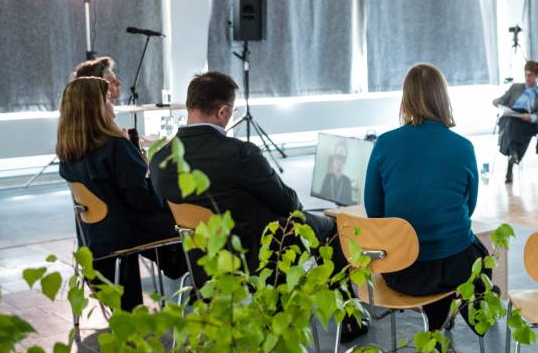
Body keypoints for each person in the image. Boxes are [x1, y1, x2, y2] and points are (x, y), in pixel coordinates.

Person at [150, 72, 354, 330]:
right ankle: (349, 320)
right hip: (256, 256)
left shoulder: (159, 159)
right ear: (223, 112)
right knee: (331, 229)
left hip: (200, 260)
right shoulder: (240, 153)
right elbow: (289, 204)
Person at [364, 64, 490, 332]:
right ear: (444, 98)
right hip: (452, 269)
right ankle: (472, 317)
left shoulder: (384, 144)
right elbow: (469, 208)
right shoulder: (463, 147)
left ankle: (435, 326)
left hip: (399, 271)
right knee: (475, 254)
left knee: (435, 253)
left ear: (406, 98)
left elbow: (374, 212)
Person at [57, 77, 188, 312]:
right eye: (107, 99)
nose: (113, 104)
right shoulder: (115, 146)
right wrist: (143, 164)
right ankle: (193, 279)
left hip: (95, 235)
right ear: (95, 106)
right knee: (186, 219)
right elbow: (141, 199)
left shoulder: (68, 150)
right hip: (126, 230)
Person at [492, 60, 538, 183]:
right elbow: (504, 99)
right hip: (511, 117)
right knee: (511, 122)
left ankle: (512, 158)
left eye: (530, 75)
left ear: (536, 76)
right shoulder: (515, 87)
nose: (527, 78)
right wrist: (497, 101)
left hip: (529, 122)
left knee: (511, 126)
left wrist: (531, 117)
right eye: (526, 74)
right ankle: (513, 155)